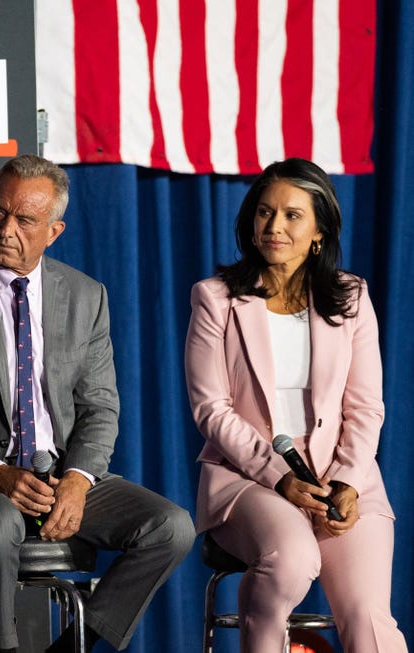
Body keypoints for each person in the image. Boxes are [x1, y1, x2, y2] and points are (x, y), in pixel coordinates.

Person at [0, 154, 194, 653]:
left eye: (25, 219)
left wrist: (78, 481)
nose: (5, 228)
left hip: (56, 476)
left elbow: (100, 408)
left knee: (171, 528)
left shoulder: (85, 295)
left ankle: (75, 646)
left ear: (53, 231)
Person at [184, 158, 408, 652]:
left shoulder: (351, 297)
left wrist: (348, 480)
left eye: (292, 215)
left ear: (319, 233)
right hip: (247, 475)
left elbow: (366, 407)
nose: (274, 227)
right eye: (265, 213)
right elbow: (212, 409)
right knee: (291, 558)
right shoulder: (216, 299)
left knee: (370, 619)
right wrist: (279, 476)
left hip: (342, 473)